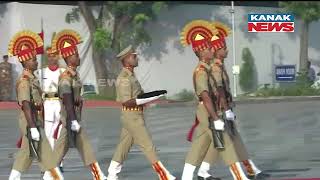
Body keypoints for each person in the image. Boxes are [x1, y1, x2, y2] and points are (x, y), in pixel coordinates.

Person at [197, 21, 270, 180]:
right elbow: (220, 91)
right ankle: (247, 172)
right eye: (224, 48)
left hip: (223, 108)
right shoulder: (215, 68)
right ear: (217, 50)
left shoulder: (219, 66)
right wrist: (226, 109)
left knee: (223, 141)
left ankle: (203, 171)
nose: (227, 50)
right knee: (228, 141)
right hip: (220, 109)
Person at [180, 20, 244, 180]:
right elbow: (206, 96)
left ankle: (187, 177)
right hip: (207, 111)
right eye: (208, 48)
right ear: (201, 52)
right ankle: (241, 177)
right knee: (226, 144)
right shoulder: (201, 71)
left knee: (199, 147)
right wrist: (215, 118)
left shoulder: (207, 69)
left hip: (209, 111)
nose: (211, 50)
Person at [106, 45, 176, 180]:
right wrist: (151, 97)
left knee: (124, 145)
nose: (136, 58)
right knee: (148, 145)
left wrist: (156, 95)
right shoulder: (124, 78)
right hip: (131, 115)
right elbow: (127, 101)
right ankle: (164, 176)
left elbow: (140, 95)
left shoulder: (131, 75)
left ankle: (112, 173)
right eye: (134, 56)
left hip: (134, 115)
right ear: (126, 59)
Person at [50, 29, 107, 180]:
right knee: (83, 149)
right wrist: (73, 120)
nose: (78, 57)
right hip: (70, 120)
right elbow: (67, 101)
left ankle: (49, 177)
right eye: (76, 55)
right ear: (69, 58)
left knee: (61, 153)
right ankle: (99, 176)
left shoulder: (75, 75)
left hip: (73, 119)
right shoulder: (65, 78)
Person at [7, 30, 64, 180]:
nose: (36, 61)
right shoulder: (25, 81)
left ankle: (14, 178)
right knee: (47, 157)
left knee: (26, 154)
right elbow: (26, 104)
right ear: (25, 62)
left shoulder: (32, 78)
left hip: (35, 118)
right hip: (30, 120)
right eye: (33, 59)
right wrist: (32, 127)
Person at [36, 46, 66, 172]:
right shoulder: (41, 72)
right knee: (48, 135)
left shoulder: (63, 71)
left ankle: (59, 162)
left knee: (59, 135)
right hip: (47, 104)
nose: (51, 58)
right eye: (49, 55)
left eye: (54, 55)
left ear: (58, 56)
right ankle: (48, 162)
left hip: (59, 103)